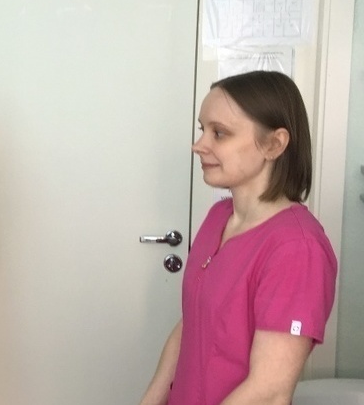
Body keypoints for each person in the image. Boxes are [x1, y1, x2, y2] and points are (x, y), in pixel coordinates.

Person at [139, 70, 338, 405]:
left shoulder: (297, 249)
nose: (199, 145)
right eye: (203, 129)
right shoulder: (219, 217)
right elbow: (192, 323)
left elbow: (269, 391)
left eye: (219, 133)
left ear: (274, 144)